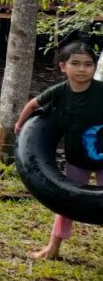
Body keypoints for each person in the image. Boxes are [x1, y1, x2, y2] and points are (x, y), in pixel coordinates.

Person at [14, 41, 103, 260]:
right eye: (76, 63)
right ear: (63, 66)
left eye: (88, 64)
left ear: (95, 67)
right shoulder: (60, 92)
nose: (82, 69)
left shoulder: (101, 91)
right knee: (65, 202)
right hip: (76, 160)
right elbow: (33, 104)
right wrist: (20, 124)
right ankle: (53, 248)